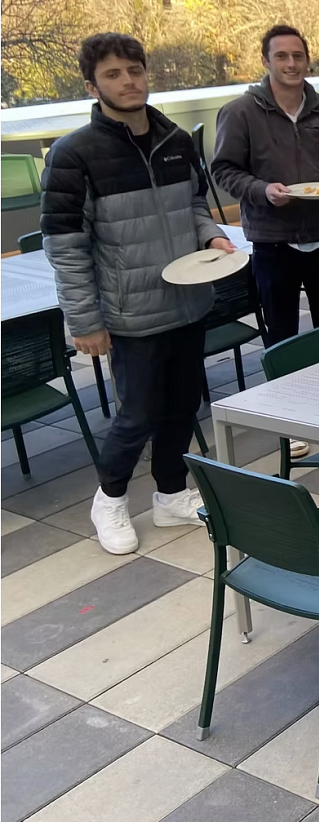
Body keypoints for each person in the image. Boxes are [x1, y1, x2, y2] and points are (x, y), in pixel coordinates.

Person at [41, 33, 237, 555]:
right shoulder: (74, 154)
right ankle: (109, 499)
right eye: (113, 74)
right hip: (130, 311)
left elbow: (194, 206)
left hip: (187, 301)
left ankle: (170, 495)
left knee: (182, 405)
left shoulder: (175, 140)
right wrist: (84, 320)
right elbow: (65, 247)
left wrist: (211, 235)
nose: (128, 81)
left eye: (135, 70)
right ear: (93, 85)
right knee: (138, 412)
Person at [213, 25, 319, 345]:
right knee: (281, 336)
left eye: (298, 56)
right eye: (282, 56)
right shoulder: (239, 113)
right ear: (266, 61)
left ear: (307, 60)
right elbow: (224, 170)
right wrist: (262, 191)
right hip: (271, 242)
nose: (291, 63)